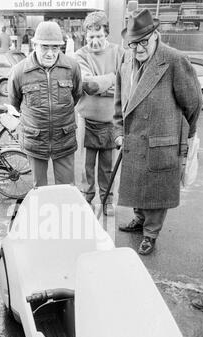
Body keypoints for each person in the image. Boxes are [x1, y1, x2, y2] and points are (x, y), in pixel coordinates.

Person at [114, 9, 202, 255]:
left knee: (155, 191)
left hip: (162, 140)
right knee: (138, 187)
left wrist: (187, 137)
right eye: (133, 44)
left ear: (155, 35)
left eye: (143, 42)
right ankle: (139, 219)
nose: (138, 49)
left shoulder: (173, 60)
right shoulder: (126, 61)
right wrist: (118, 132)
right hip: (133, 139)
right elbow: (120, 104)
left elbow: (192, 104)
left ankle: (151, 234)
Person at [8, 21, 82, 187]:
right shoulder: (20, 71)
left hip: (64, 139)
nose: (50, 53)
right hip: (35, 140)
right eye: (45, 47)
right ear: (35, 45)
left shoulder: (72, 68)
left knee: (66, 190)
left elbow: (76, 96)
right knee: (39, 191)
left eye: (55, 47)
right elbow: (14, 101)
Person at [75, 11, 123, 216]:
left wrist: (104, 83)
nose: (94, 41)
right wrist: (113, 78)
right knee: (86, 166)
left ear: (107, 34)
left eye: (99, 36)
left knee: (107, 166)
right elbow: (89, 85)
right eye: (90, 37)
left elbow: (126, 84)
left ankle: (107, 200)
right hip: (86, 120)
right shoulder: (80, 55)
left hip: (111, 121)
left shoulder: (119, 52)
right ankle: (86, 198)